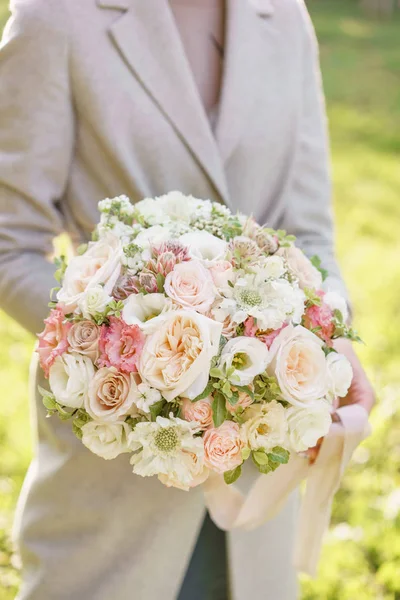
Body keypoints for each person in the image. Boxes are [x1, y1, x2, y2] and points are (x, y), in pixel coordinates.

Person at [0, 0, 375, 598]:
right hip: (113, 475)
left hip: (260, 471)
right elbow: (9, 244)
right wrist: (120, 349)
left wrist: (322, 341)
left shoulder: (283, 16)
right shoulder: (56, 16)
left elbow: (309, 235)